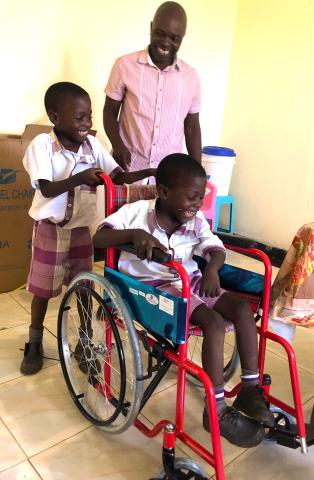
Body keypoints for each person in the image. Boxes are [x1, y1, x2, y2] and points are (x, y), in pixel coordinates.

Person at [94, 153, 275, 448]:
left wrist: (213, 269)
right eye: (192, 197)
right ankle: (215, 408)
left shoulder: (196, 220)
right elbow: (97, 240)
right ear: (163, 192)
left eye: (200, 197)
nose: (198, 204)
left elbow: (214, 248)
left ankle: (250, 390)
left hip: (190, 281)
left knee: (242, 310)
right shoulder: (135, 212)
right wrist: (134, 235)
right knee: (213, 324)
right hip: (154, 289)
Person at [21, 81, 155, 375]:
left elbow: (118, 177)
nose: (87, 124)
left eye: (89, 116)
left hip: (82, 230)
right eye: (80, 117)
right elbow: (45, 188)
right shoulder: (42, 146)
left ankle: (84, 339)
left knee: (83, 287)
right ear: (55, 117)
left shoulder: (93, 145)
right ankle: (34, 341)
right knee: (43, 290)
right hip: (51, 230)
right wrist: (81, 177)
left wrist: (150, 172)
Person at [103, 1, 201, 175]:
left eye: (174, 38)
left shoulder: (191, 77)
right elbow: (110, 111)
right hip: (128, 169)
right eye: (160, 33)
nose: (165, 43)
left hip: (169, 176)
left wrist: (197, 173)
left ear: (182, 37)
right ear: (151, 28)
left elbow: (192, 127)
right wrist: (118, 145)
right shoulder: (124, 65)